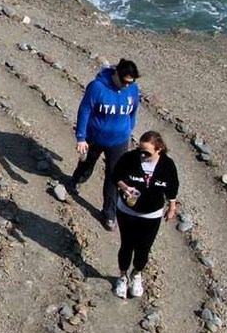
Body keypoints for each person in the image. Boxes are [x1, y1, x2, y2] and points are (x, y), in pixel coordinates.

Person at [70, 58, 142, 230]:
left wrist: (128, 128)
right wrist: (81, 137)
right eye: (124, 81)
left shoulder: (132, 89)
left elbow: (133, 111)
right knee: (87, 164)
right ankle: (76, 180)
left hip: (119, 141)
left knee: (114, 176)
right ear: (116, 74)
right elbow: (85, 110)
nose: (127, 86)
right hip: (96, 137)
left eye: (130, 82)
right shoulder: (97, 87)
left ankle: (109, 213)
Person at [111, 130, 179, 298]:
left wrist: (172, 208)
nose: (142, 155)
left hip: (152, 214)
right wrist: (125, 188)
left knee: (144, 248)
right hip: (127, 211)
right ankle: (122, 276)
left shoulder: (167, 165)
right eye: (140, 150)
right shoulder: (129, 158)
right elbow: (116, 175)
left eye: (147, 152)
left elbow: (172, 187)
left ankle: (137, 274)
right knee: (126, 245)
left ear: (159, 149)